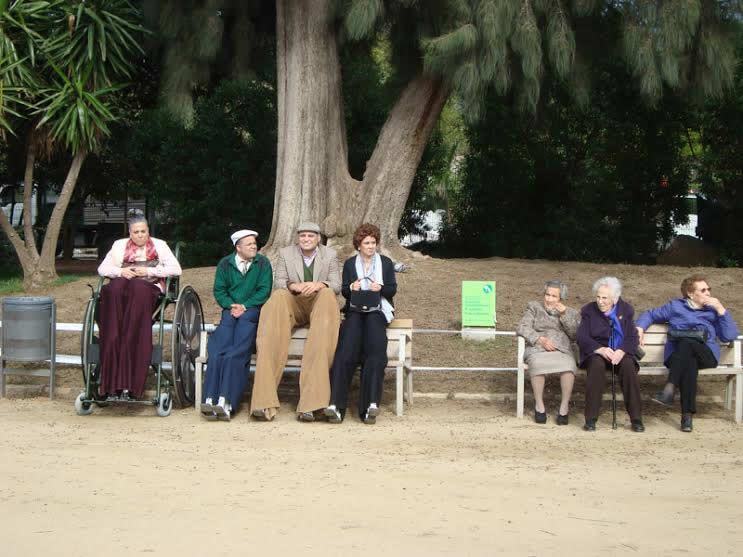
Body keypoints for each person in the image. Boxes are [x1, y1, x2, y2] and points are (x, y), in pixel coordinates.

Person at [249, 222, 341, 421]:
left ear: (318, 238)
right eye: (302, 236)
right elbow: (279, 281)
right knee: (277, 298)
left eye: (310, 236)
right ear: (297, 238)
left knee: (327, 295)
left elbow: (336, 284)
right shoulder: (286, 253)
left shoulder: (330, 255)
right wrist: (294, 285)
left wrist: (319, 284)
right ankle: (264, 402)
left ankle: (312, 403)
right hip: (294, 301)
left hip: (319, 304)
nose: (306, 239)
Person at [636, 275, 739, 432]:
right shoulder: (675, 307)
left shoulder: (713, 311)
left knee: (686, 342)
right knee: (689, 363)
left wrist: (721, 309)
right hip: (677, 356)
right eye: (703, 290)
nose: (708, 293)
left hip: (706, 355)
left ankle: (670, 388)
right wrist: (640, 328)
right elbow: (650, 314)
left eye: (708, 289)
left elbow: (729, 336)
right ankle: (687, 417)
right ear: (691, 294)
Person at [96, 214, 181, 398]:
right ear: (130, 233)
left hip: (147, 287)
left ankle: (132, 384)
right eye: (136, 232)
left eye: (144, 231)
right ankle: (109, 382)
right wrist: (120, 271)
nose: (141, 235)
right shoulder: (119, 245)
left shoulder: (159, 245)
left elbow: (176, 269)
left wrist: (149, 270)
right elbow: (102, 269)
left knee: (138, 286)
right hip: (123, 286)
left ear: (148, 231)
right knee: (113, 288)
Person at [325, 223, 397, 424]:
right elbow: (346, 293)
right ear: (358, 245)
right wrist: (352, 286)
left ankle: (370, 406)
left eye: (374, 242)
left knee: (375, 351)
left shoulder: (385, 262)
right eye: (367, 243)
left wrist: (380, 288)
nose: (371, 246)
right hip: (355, 310)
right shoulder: (349, 264)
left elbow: (392, 290)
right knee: (345, 351)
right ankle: (336, 405)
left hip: (377, 310)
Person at [200, 230, 272, 421]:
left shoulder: (263, 263)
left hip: (251, 312)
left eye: (254, 243)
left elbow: (264, 290)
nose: (254, 246)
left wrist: (245, 306)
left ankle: (227, 400)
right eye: (249, 244)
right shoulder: (225, 263)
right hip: (230, 311)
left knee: (236, 353)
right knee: (217, 351)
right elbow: (219, 290)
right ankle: (209, 398)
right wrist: (230, 305)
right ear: (238, 247)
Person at [577, 276, 644, 432]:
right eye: (598, 297)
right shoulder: (588, 310)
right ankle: (591, 418)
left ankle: (636, 419)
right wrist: (600, 349)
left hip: (620, 351)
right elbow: (582, 336)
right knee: (596, 366)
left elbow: (632, 337)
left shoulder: (625, 310)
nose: (600, 301)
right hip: (598, 352)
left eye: (605, 298)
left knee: (628, 366)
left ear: (615, 298)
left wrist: (622, 351)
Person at [516, 280, 579, 425]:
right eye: (547, 294)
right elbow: (522, 327)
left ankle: (564, 408)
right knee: (537, 364)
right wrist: (539, 339)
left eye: (554, 296)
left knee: (569, 367)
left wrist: (564, 314)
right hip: (538, 349)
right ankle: (539, 406)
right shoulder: (534, 307)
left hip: (561, 350)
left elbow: (575, 335)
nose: (549, 299)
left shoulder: (570, 312)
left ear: (560, 298)